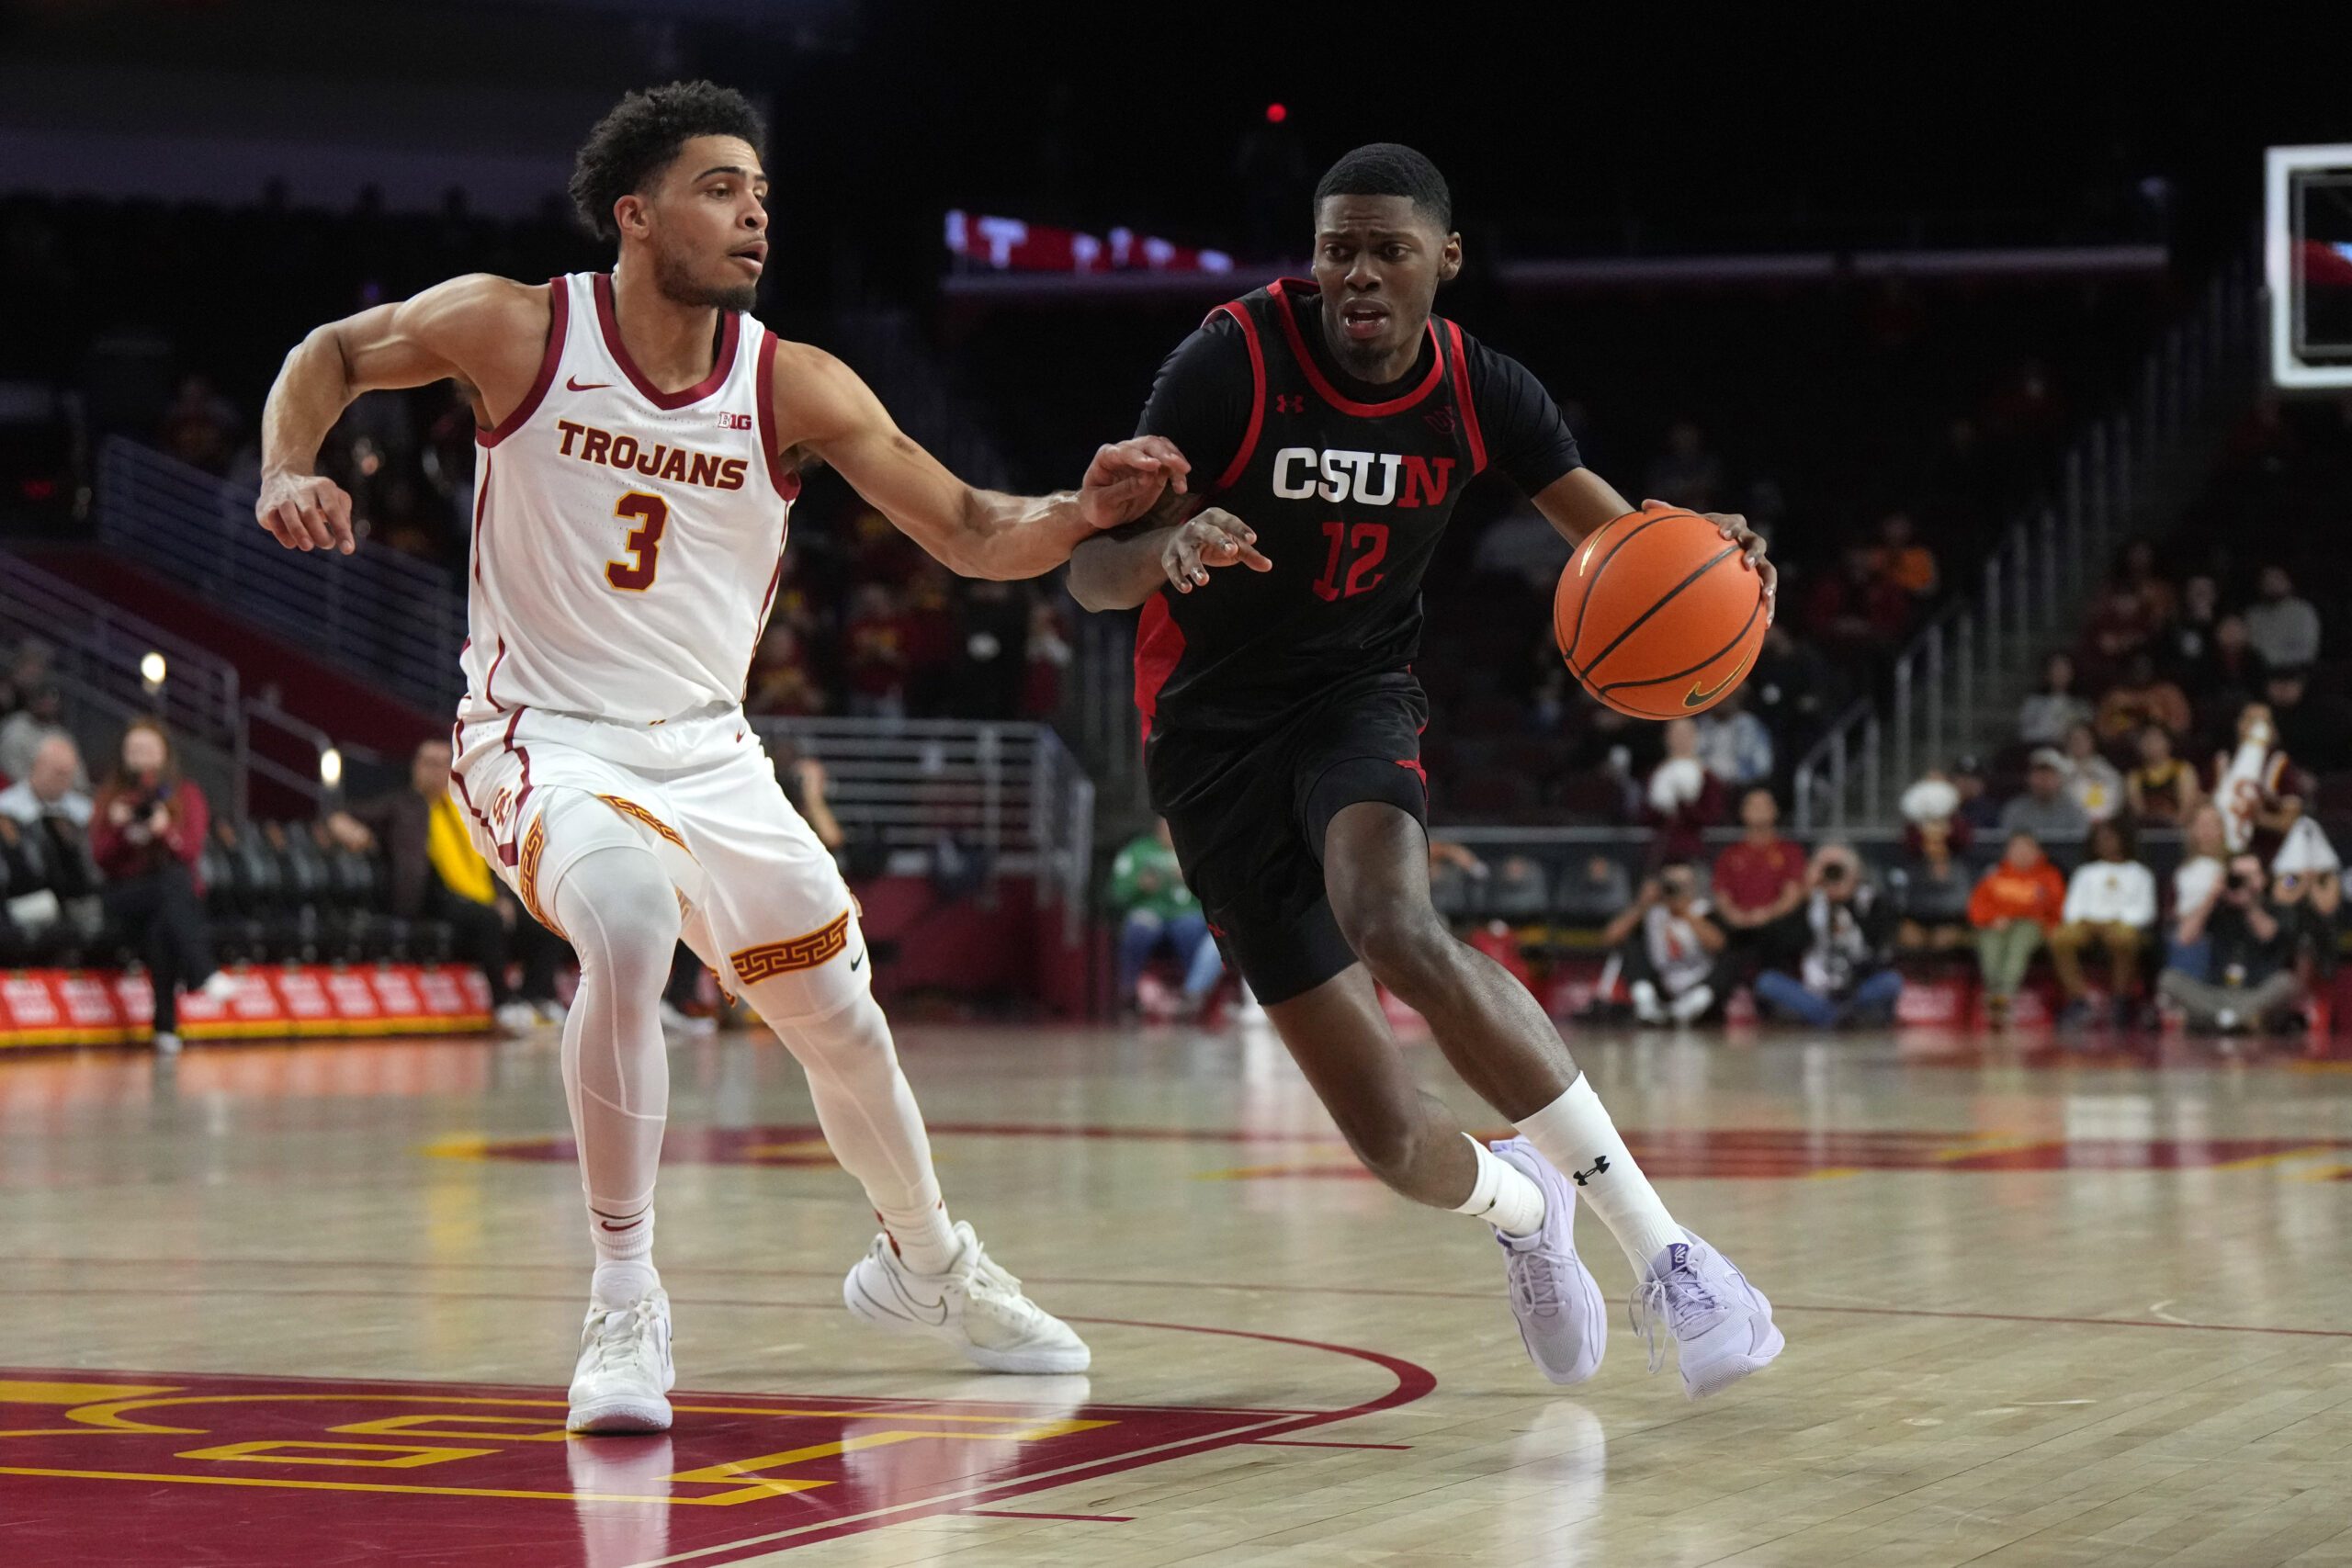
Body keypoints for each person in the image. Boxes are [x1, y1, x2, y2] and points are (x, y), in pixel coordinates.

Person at [252, 82, 1192, 1430]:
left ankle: (928, 1262)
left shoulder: (792, 382)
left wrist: (1077, 506)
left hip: (712, 753)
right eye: (718, 186)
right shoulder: (517, 325)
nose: (753, 210)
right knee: (626, 919)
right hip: (545, 732)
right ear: (635, 215)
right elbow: (333, 352)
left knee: (843, 1023)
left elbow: (978, 529)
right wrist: (291, 464)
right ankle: (624, 1300)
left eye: (760, 190)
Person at [1067, 142, 1781, 1398]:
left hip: (1355, 695)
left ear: (1444, 260)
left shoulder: (1481, 388)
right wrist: (1167, 545)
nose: (1356, 271)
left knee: (1396, 922)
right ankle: (1523, 1209)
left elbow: (1624, 549)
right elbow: (1089, 567)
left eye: (1387, 248)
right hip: (1208, 737)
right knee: (1392, 1140)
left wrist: (1707, 557)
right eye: (1336, 245)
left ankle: (1672, 1253)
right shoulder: (1228, 362)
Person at [328, 737, 567, 1034]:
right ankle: (504, 1004)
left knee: (545, 918)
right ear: (416, 768)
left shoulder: (468, 807)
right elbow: (339, 816)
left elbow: (493, 854)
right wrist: (344, 827)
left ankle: (538, 994)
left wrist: (503, 895)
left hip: (482, 892)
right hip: (430, 894)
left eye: (444, 764)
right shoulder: (401, 804)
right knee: (488, 920)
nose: (437, 771)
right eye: (429, 763)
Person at [88, 720, 236, 1055]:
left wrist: (165, 831)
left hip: (169, 897)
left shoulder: (186, 794)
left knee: (164, 918)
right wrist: (121, 832)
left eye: (148, 749)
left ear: (165, 753)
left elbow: (189, 852)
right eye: (134, 751)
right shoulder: (111, 796)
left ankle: (165, 1027)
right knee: (169, 890)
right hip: (125, 895)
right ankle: (202, 971)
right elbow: (101, 859)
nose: (141, 758)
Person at [1753, 843, 1901, 1028]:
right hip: (1812, 992)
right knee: (1767, 982)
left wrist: (1848, 901)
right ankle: (1835, 1018)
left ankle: (1830, 1018)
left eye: (1837, 870)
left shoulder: (1869, 904)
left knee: (1891, 982)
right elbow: (1778, 945)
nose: (1832, 877)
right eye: (1826, 870)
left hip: (1854, 989)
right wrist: (1805, 898)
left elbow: (1878, 948)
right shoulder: (1808, 904)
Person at [2159, 852, 2304, 1033]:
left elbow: (2269, 935)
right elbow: (2183, 938)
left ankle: (2220, 1020)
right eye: (2237, 876)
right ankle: (2236, 1020)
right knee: (2168, 979)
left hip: (2254, 993)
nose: (2243, 882)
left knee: (2286, 982)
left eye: (2250, 876)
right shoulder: (2217, 907)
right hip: (2215, 994)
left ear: (2263, 878)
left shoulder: (2276, 907)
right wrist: (2211, 896)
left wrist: (2250, 905)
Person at [2048, 818, 2157, 1029]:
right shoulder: (2085, 872)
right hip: (2087, 924)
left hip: (2122, 924)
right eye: (2100, 839)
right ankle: (2078, 999)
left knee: (2123, 939)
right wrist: (2088, 921)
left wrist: (2116, 921)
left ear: (2123, 840)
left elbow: (2146, 911)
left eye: (2110, 838)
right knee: (2060, 937)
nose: (2105, 843)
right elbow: (2071, 908)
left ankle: (2120, 1000)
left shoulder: (2140, 873)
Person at [1110, 818, 1222, 1017]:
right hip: (1150, 912)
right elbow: (1116, 893)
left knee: (1190, 927)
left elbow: (1214, 894)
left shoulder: (1193, 851)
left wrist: (1191, 882)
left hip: (1186, 914)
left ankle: (1192, 997)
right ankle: (1127, 994)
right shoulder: (1139, 850)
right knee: (1140, 927)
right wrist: (1140, 886)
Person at [1600, 862, 1726, 1025]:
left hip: (1698, 981)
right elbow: (1610, 938)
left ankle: (1692, 1005)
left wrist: (1684, 912)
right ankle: (1645, 999)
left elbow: (1718, 945)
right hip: (1662, 980)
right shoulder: (1652, 912)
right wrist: (1642, 904)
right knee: (1631, 945)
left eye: (1681, 885)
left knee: (1734, 955)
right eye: (1670, 884)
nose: (1674, 890)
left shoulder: (1702, 910)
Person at [1967, 832, 2066, 1027]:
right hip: (1997, 924)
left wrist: (2048, 925)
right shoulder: (1995, 875)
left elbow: (2057, 908)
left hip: (2031, 925)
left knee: (2018, 946)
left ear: (2037, 852)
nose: (2021, 853)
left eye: (2026, 848)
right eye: (2016, 848)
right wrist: (1992, 919)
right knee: (1990, 946)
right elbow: (1976, 906)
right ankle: (1994, 998)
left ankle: (2004, 998)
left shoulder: (2048, 876)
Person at [1709, 785, 1807, 973]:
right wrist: (1735, 916)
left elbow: (1792, 894)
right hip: (1738, 927)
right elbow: (1721, 893)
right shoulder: (1730, 854)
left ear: (1775, 811)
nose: (1759, 809)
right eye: (1753, 805)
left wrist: (1766, 914)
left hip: (1775, 926)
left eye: (1764, 805)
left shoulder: (1789, 851)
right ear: (1743, 812)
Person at [1643, 716, 1726, 863]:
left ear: (1696, 737)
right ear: (1666, 738)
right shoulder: (1656, 775)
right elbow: (1644, 815)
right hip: (1661, 853)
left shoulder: (1708, 778)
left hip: (1697, 854)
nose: (1680, 740)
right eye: (1675, 734)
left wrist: (1685, 805)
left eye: (1685, 734)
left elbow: (1712, 817)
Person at [2167, 804, 2230, 982]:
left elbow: (2289, 880)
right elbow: (2181, 926)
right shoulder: (2184, 872)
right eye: (2201, 825)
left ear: (2223, 830)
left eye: (2212, 825)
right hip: (2195, 938)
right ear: (2192, 830)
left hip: (2229, 935)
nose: (2207, 832)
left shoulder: (2235, 865)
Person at [0, 733, 93, 829]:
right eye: (59, 773)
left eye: (68, 775)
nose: (63, 781)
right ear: (37, 766)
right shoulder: (5, 809)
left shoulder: (85, 812)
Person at [2096, 653, 2192, 743]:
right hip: (2123, 749)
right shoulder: (2116, 697)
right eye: (2137, 668)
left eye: (2144, 667)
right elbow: (2102, 731)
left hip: (2162, 746)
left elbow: (2181, 727)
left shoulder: (2168, 692)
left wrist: (2156, 724)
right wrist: (2124, 730)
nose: (2141, 672)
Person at [2243, 565, 2321, 671]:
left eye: (2277, 579)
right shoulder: (2253, 615)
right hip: (2261, 675)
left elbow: (2307, 650)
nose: (2272, 584)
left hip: (2294, 673)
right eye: (2267, 580)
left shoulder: (2303, 611)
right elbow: (2250, 648)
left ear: (2289, 582)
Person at [2000, 749, 2091, 840]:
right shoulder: (2015, 809)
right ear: (2029, 778)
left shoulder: (2075, 809)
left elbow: (2081, 843)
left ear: (2060, 779)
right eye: (2038, 774)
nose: (2043, 780)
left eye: (2049, 774)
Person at [1692, 687, 1772, 791]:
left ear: (1737, 697)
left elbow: (1763, 767)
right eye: (1718, 696)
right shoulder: (1700, 725)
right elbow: (1691, 759)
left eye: (1728, 695)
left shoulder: (1750, 725)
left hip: (1741, 788)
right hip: (1706, 788)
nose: (1723, 701)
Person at [2124, 724, 2200, 827]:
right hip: (2147, 831)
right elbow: (2138, 811)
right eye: (2147, 741)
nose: (2152, 745)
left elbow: (2188, 806)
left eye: (2157, 740)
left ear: (2168, 742)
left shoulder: (2183, 770)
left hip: (2180, 829)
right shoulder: (2134, 776)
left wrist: (2175, 827)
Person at [0, 686, 76, 786]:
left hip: (61, 794)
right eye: (43, 700)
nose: (47, 705)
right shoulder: (15, 727)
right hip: (22, 790)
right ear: (33, 702)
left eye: (52, 701)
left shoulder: (61, 734)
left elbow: (77, 776)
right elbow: (11, 771)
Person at [2017, 652, 2093, 749]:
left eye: (2064, 669)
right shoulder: (2033, 702)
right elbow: (2025, 734)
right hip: (2039, 749)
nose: (2060, 673)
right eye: (2056, 669)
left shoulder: (2082, 705)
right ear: (2047, 673)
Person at [2060, 722, 2123, 824]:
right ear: (2067, 742)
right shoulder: (2058, 770)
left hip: (2102, 824)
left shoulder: (2105, 770)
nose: (2079, 743)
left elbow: (2115, 797)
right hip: (2068, 825)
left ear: (2092, 742)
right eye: (2075, 739)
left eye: (2084, 739)